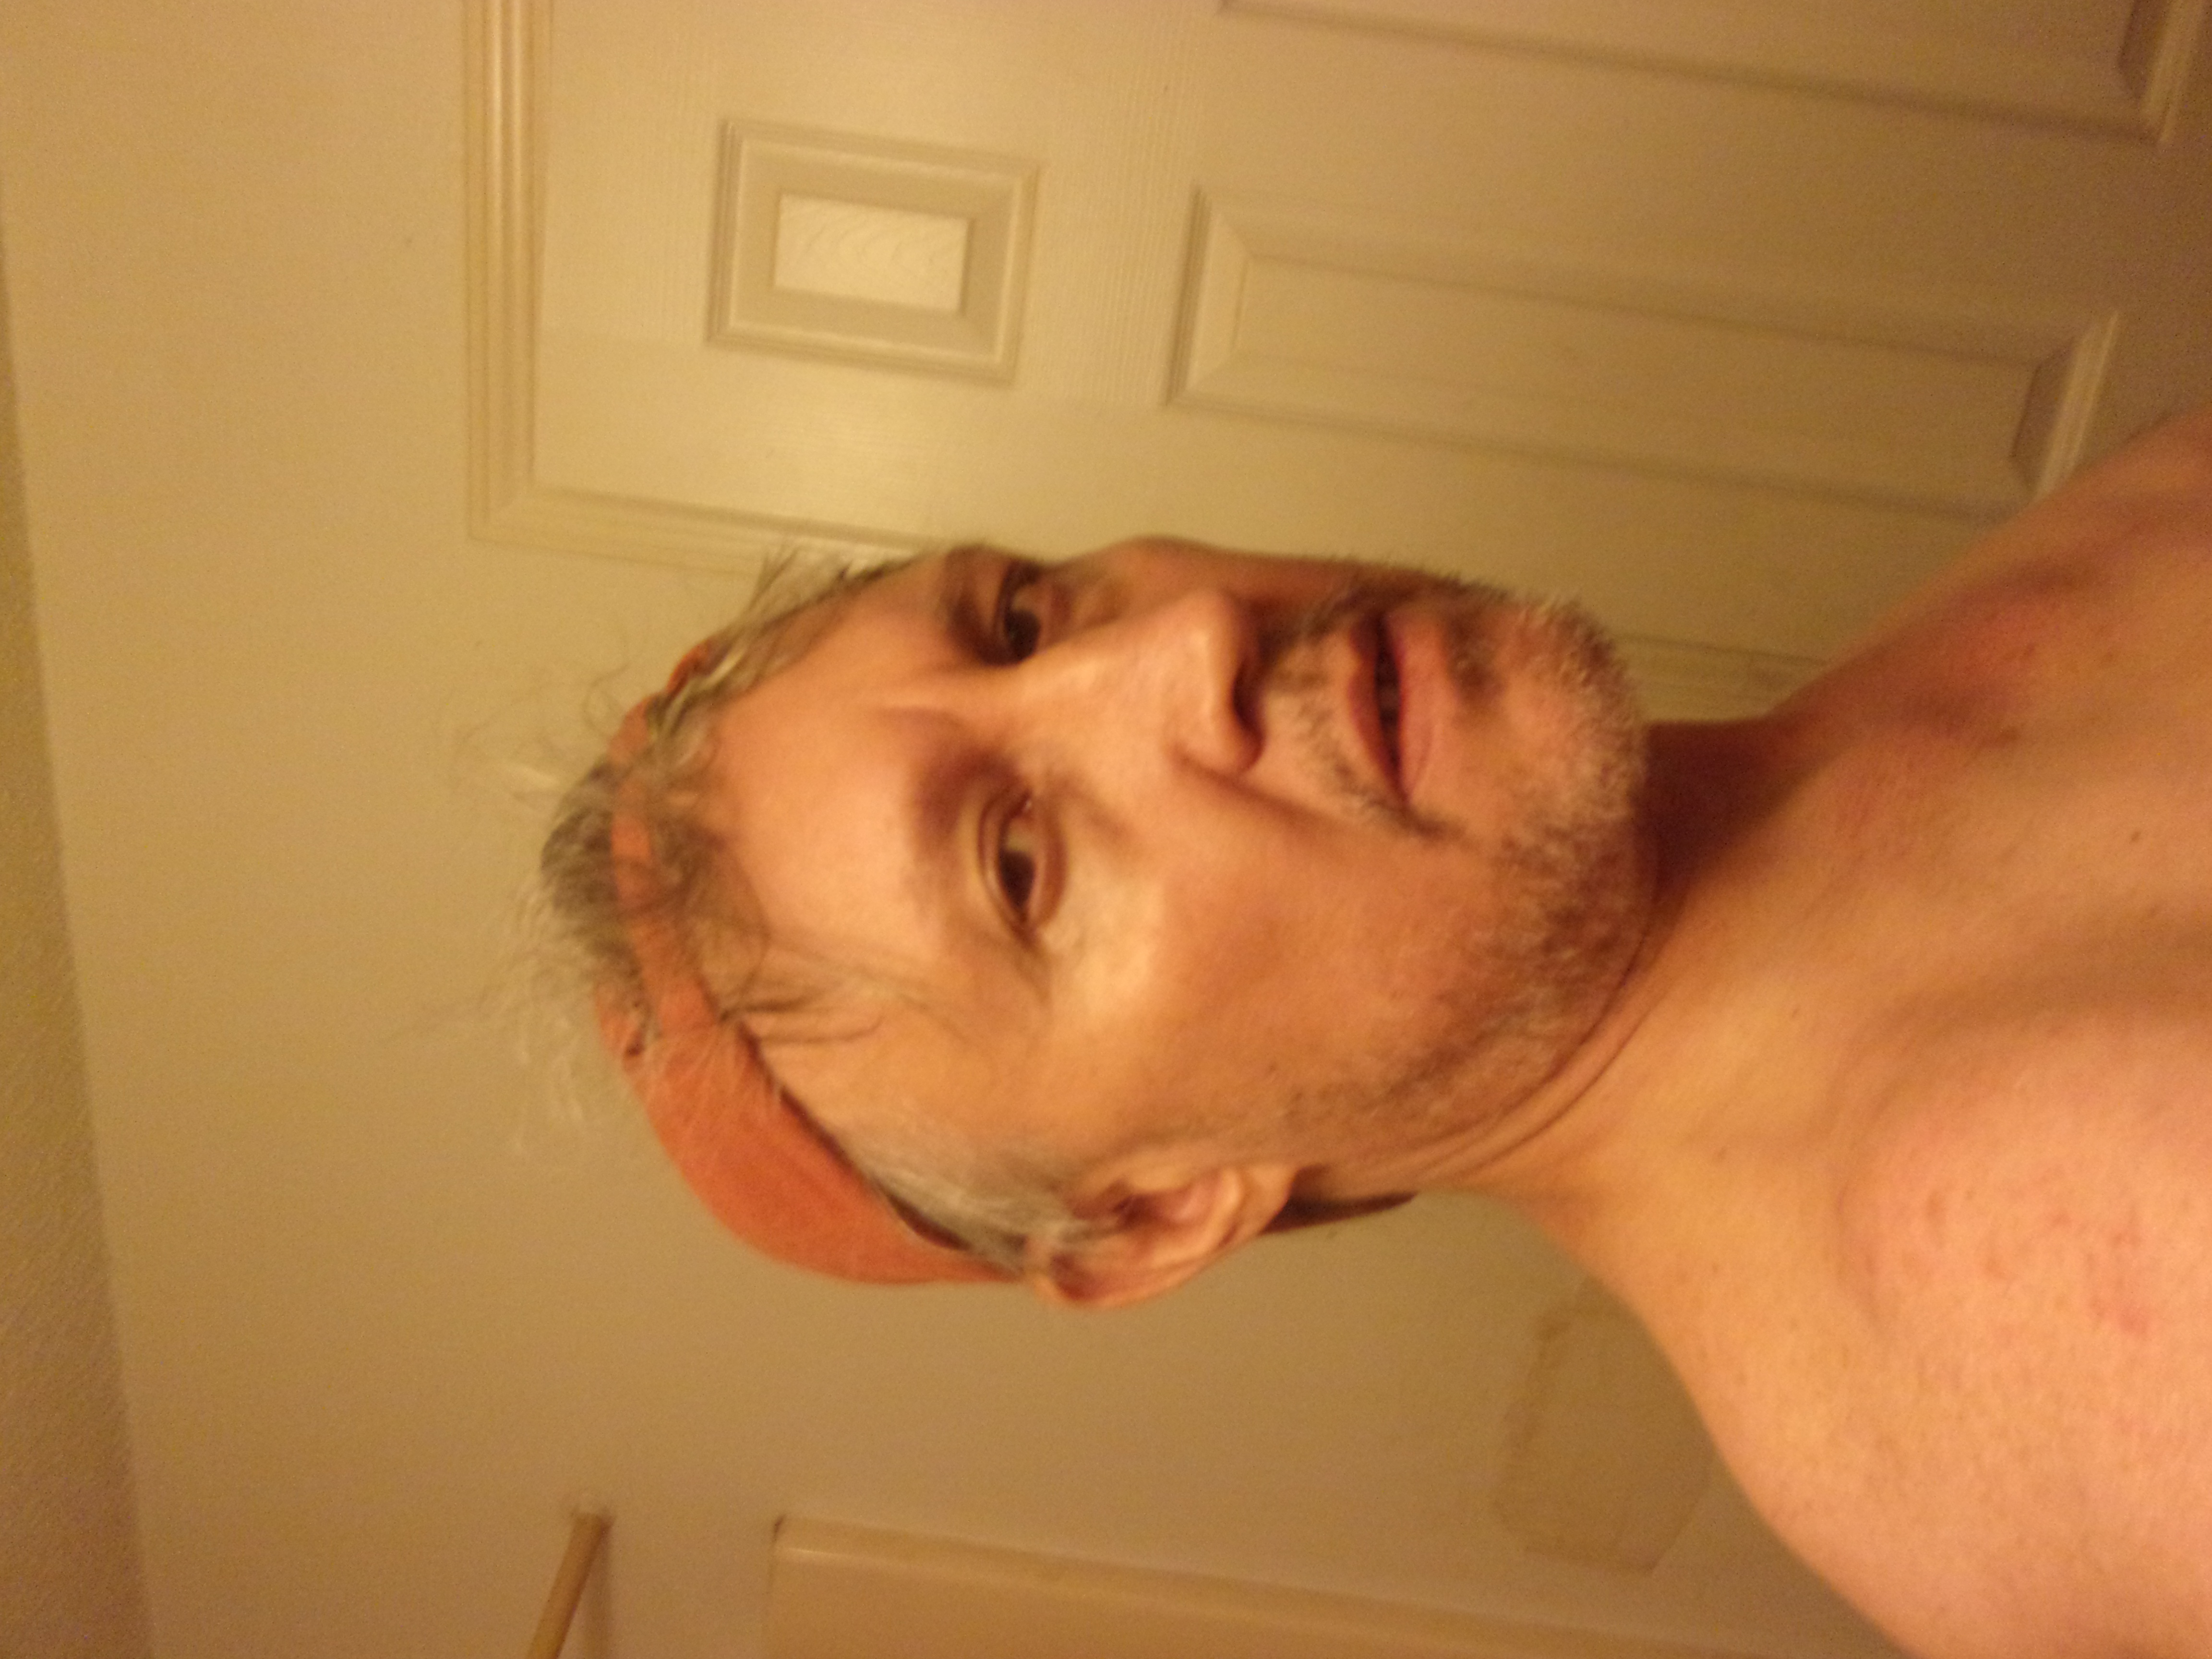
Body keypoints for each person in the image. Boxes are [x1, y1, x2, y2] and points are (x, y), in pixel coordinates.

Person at [538, 405, 2212, 1659]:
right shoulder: (2083, 1309)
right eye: (1022, 865)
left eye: (1025, 619)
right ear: (1157, 1210)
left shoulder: (1985, 633)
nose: (1182, 641)